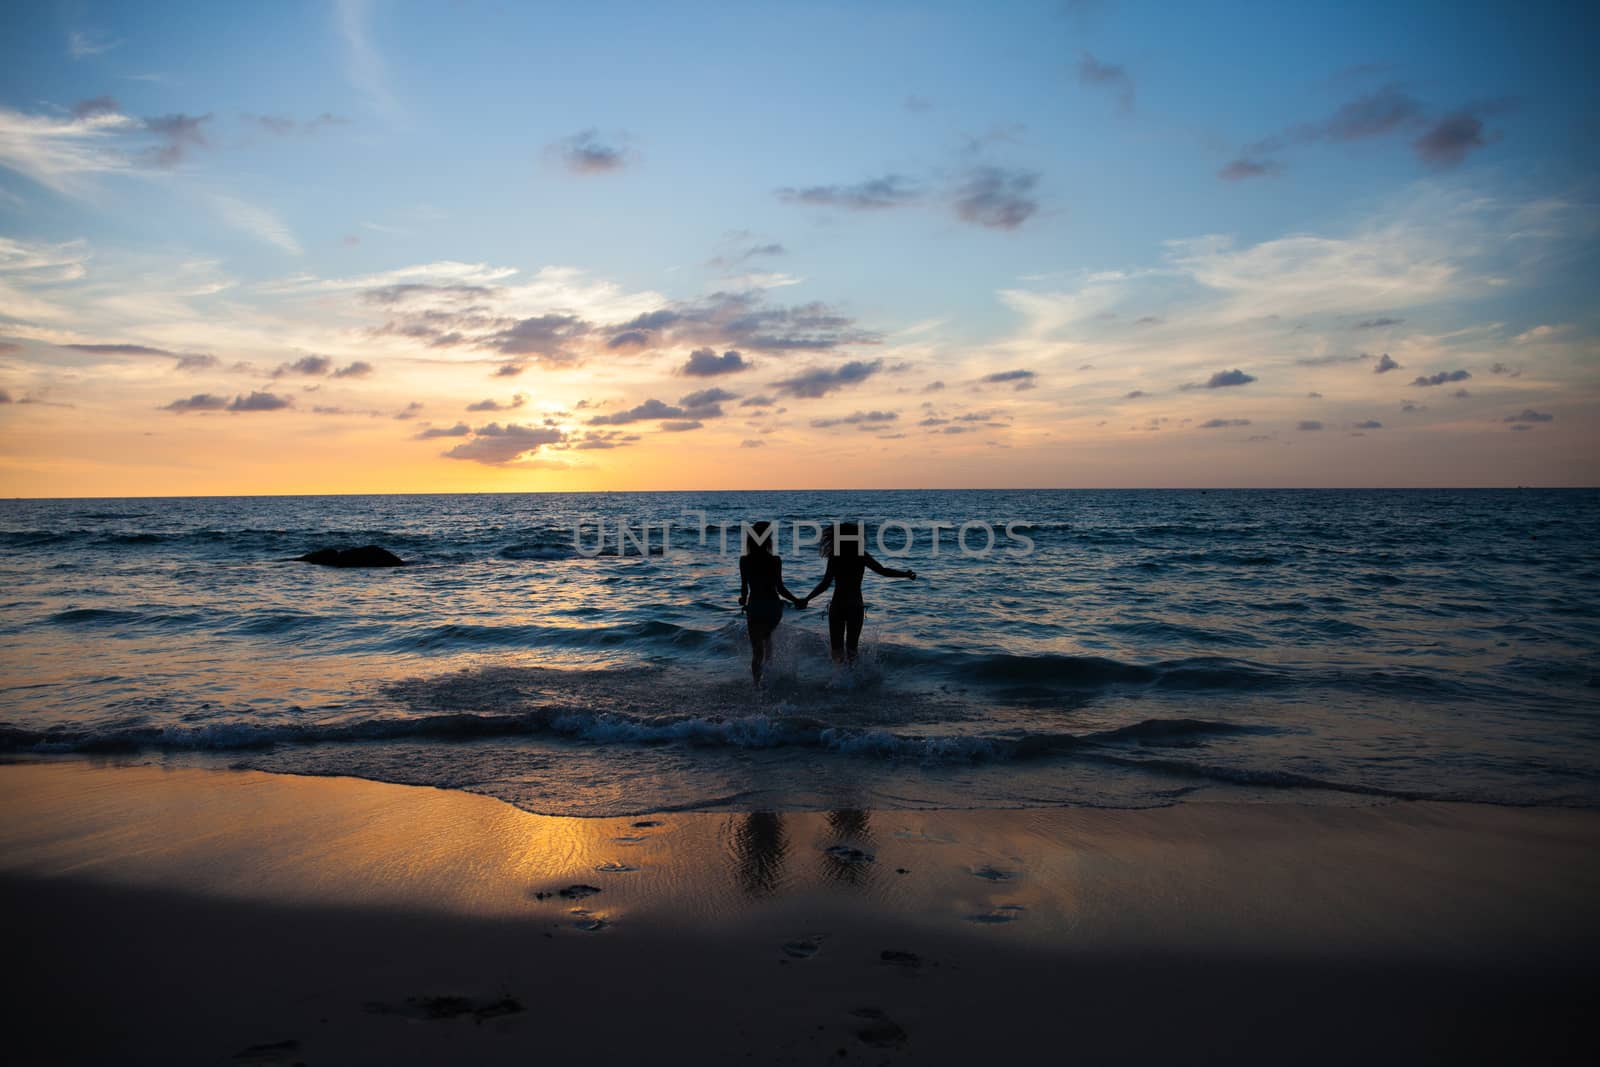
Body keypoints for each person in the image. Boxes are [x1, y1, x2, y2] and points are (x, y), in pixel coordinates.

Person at [798, 522, 916, 665]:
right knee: (852, 650)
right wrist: (905, 574)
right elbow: (883, 571)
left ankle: (840, 680)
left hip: (838, 605)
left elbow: (825, 584)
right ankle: (853, 681)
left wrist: (807, 598)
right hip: (855, 605)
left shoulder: (835, 556)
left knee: (836, 650)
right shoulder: (861, 556)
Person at [737, 521, 806, 686]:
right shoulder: (775, 560)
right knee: (767, 639)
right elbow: (780, 589)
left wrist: (742, 599)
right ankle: (770, 677)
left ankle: (757, 686)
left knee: (757, 651)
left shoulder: (744, 561)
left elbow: (744, 589)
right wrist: (797, 600)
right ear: (768, 540)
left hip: (755, 606)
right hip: (773, 607)